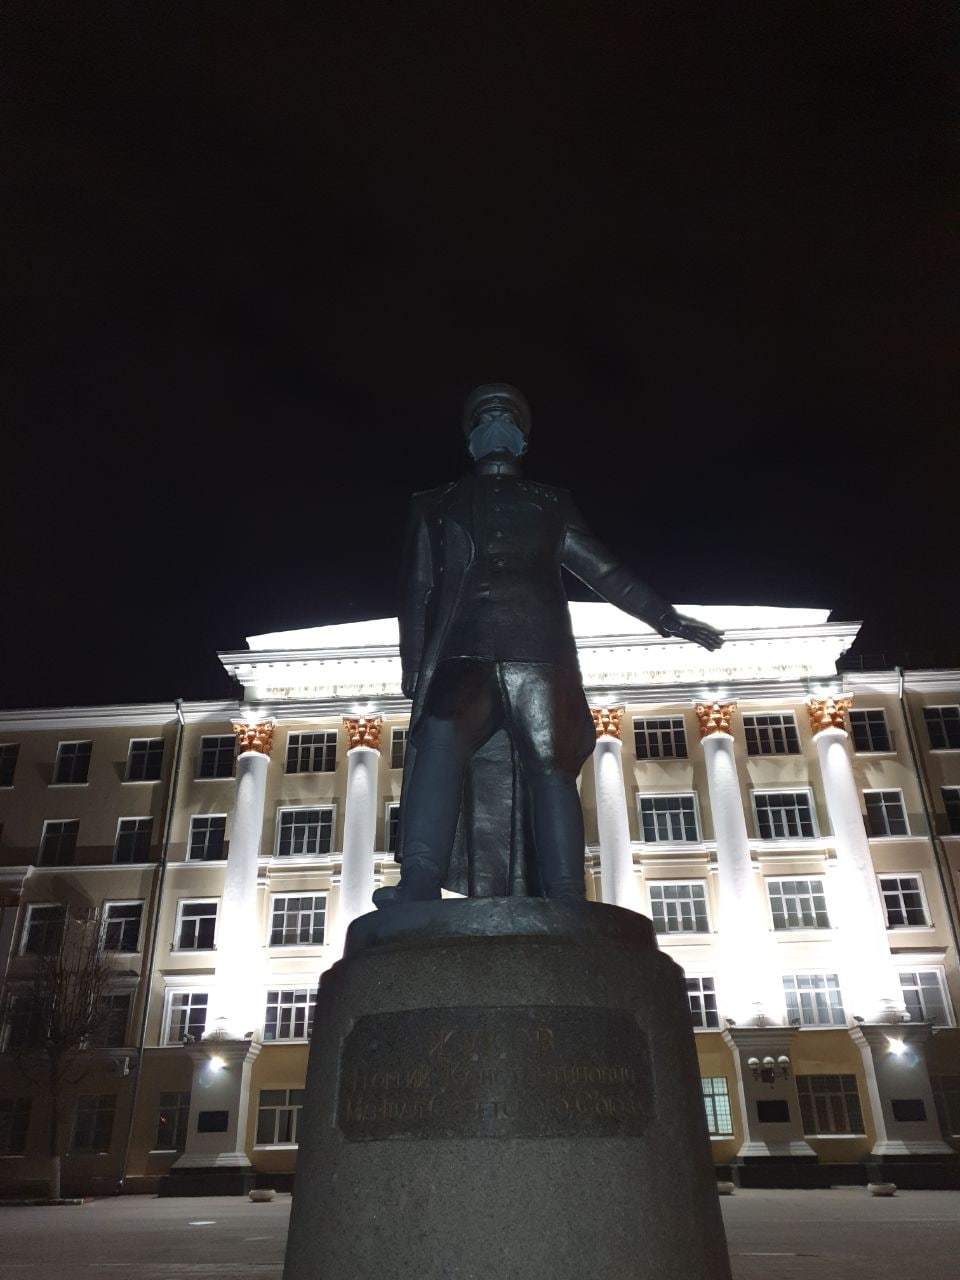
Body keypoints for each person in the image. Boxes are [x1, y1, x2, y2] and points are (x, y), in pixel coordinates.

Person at [373, 384, 723, 907]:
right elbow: (416, 589)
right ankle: (419, 880)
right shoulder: (433, 504)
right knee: (438, 737)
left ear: (522, 438)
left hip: (540, 651)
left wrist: (664, 617)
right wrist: (414, 663)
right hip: (462, 652)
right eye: (485, 417)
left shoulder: (551, 503)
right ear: (470, 438)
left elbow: (603, 569)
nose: (495, 424)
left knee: (550, 766)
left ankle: (566, 895)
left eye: (506, 416)